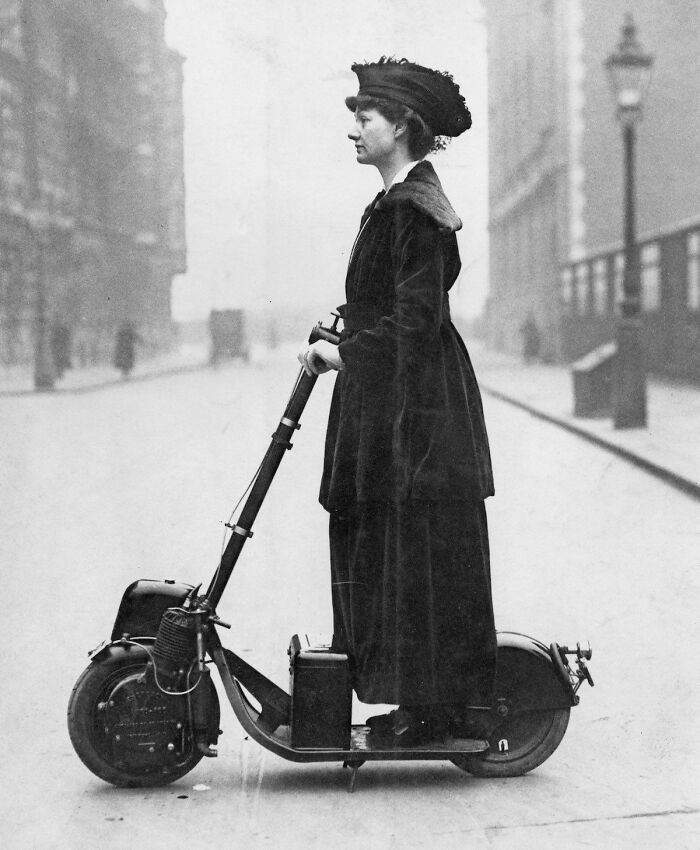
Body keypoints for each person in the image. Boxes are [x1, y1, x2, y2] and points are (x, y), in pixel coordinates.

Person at [298, 57, 496, 746]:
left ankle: (431, 707)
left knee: (414, 551)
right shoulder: (392, 205)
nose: (354, 128)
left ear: (403, 126)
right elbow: (385, 304)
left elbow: (415, 322)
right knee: (387, 544)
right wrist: (343, 331)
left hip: (417, 414)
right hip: (393, 403)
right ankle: (415, 701)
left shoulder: (416, 211)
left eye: (366, 116)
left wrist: (346, 353)